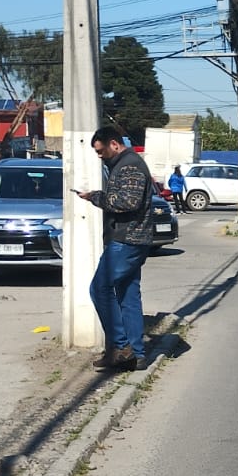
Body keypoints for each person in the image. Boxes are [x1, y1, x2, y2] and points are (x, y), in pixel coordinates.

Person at [78, 126, 155, 372]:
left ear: (114, 144)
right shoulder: (123, 164)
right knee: (128, 294)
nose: (99, 156)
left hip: (127, 240)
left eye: (101, 151)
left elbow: (128, 202)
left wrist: (96, 197)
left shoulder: (130, 165)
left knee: (99, 289)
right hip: (132, 239)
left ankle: (121, 347)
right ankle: (137, 355)